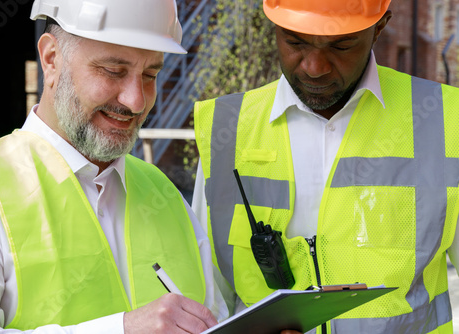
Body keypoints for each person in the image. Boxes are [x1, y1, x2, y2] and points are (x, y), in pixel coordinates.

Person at [0, 0, 229, 333]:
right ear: (51, 59)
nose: (136, 101)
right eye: (113, 71)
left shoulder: (166, 195)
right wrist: (123, 329)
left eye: (150, 75)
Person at [192, 0, 459, 333]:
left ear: (379, 28)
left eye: (341, 45)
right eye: (295, 42)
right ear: (273, 26)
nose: (315, 67)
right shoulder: (228, 131)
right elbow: (207, 300)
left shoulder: (446, 122)